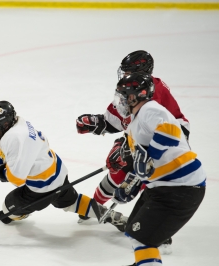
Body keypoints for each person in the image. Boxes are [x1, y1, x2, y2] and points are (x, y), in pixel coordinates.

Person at [110, 73, 205, 266]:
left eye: (124, 97)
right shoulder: (136, 119)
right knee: (133, 228)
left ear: (135, 97)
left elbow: (170, 133)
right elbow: (144, 163)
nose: (120, 102)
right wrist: (131, 182)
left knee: (141, 237)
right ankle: (145, 263)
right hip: (163, 186)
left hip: (181, 188)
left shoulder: (151, 110)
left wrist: (148, 158)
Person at [75, 50, 190, 232]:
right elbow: (121, 119)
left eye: (128, 72)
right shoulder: (132, 88)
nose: (125, 75)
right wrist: (99, 123)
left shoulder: (153, 95)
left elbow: (168, 131)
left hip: (165, 146)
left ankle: (157, 229)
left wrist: (140, 159)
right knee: (118, 167)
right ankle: (95, 207)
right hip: (142, 139)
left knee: (150, 185)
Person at [0, 100, 117, 227]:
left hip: (41, 189)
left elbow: (17, 178)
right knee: (71, 201)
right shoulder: (18, 125)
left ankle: (21, 213)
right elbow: (5, 156)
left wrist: (0, 173)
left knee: (7, 210)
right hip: (58, 173)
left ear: (5, 123)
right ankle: (110, 215)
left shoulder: (13, 138)